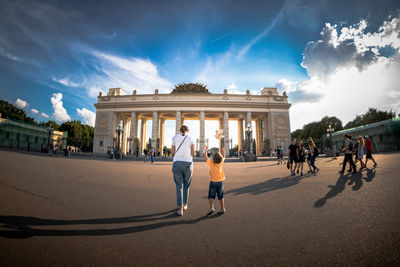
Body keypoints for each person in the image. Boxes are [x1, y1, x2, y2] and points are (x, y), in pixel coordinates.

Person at [171, 125, 195, 216]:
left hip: (177, 163)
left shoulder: (174, 137)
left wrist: (176, 157)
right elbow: (193, 153)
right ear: (187, 130)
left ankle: (180, 209)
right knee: (186, 185)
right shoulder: (190, 138)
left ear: (180, 130)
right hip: (188, 164)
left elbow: (172, 151)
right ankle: (185, 205)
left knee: (179, 186)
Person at [204, 145, 226, 216]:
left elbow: (205, 157)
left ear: (213, 158)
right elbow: (224, 156)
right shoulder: (221, 163)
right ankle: (222, 208)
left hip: (213, 182)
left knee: (211, 196)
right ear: (220, 158)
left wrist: (206, 150)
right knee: (221, 196)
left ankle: (211, 208)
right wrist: (223, 150)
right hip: (220, 182)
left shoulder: (211, 163)